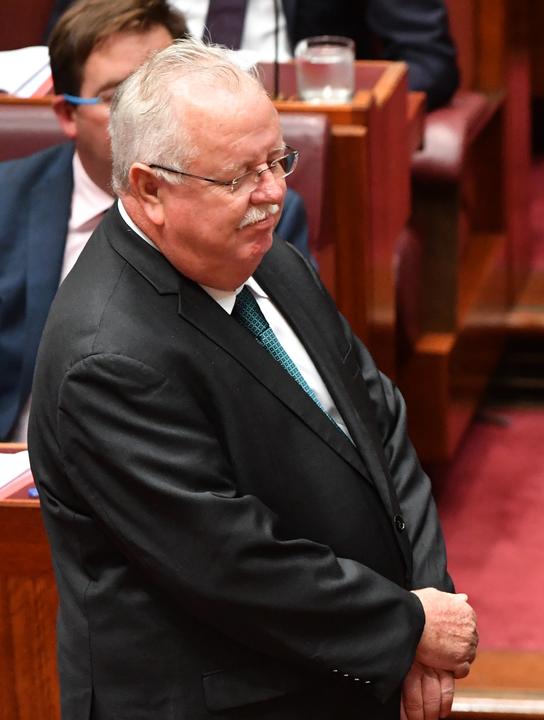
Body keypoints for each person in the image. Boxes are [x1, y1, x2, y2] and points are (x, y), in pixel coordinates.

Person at [27, 39, 474, 719]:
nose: (273, 194)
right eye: (238, 176)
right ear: (150, 188)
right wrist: (406, 628)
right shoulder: (109, 357)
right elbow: (228, 560)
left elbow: (379, 424)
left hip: (341, 667)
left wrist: (423, 602)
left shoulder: (274, 263)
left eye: (277, 160)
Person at [0, 0, 310, 443]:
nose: (141, 118)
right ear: (67, 114)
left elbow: (289, 384)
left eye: (157, 93)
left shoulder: (260, 209)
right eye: (115, 97)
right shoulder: (6, 201)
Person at [50, 0, 461, 109]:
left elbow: (428, 61)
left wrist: (341, 98)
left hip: (289, 132)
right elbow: (71, 44)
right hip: (142, 118)